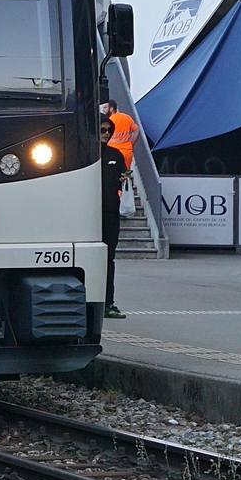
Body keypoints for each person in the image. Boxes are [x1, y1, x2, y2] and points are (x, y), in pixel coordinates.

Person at [100, 114, 128, 319]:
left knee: (109, 258)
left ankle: (108, 302)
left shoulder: (116, 154)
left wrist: (124, 180)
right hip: (88, 215)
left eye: (109, 130)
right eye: (102, 130)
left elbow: (121, 181)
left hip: (110, 212)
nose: (107, 133)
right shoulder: (83, 154)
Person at [100, 100, 138, 169]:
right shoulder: (127, 117)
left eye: (105, 107)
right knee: (126, 173)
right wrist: (130, 144)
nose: (103, 110)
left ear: (111, 108)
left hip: (113, 153)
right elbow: (137, 131)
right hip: (127, 152)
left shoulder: (109, 121)